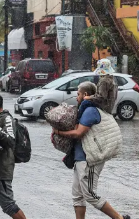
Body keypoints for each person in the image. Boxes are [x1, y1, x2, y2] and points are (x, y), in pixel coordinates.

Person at [53, 82, 130, 219]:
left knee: (89, 194)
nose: (76, 97)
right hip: (79, 158)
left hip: (89, 159)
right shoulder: (84, 110)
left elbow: (78, 133)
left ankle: (119, 218)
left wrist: (58, 132)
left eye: (78, 94)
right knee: (77, 196)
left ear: (86, 95)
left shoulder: (90, 110)